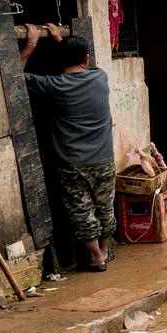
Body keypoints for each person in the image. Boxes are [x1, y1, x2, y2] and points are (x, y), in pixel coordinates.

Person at [20, 24, 115, 272]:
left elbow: (14, 78)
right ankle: (104, 250)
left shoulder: (54, 86)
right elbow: (77, 63)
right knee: (104, 207)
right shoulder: (100, 77)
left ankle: (95, 257)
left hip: (72, 164)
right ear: (86, 59)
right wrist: (61, 41)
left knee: (81, 210)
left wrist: (30, 46)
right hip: (104, 158)